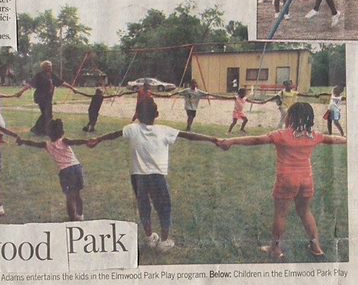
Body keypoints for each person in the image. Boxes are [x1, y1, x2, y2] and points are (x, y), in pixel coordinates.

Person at [87, 97, 218, 251]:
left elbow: (114, 134)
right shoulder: (164, 130)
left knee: (143, 205)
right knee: (164, 206)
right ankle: (163, 240)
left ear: (137, 115)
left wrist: (97, 139)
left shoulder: (132, 128)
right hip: (156, 176)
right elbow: (189, 135)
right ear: (156, 114)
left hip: (137, 176)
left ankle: (149, 237)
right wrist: (212, 139)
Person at [217, 102, 346, 258]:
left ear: (291, 116)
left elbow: (256, 140)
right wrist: (348, 140)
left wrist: (231, 141)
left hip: (286, 180)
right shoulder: (314, 136)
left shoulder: (281, 135)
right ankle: (315, 246)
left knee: (280, 214)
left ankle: (275, 248)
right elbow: (333, 139)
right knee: (305, 212)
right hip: (306, 179)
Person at [17, 119, 88, 221]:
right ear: (62, 133)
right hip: (77, 168)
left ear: (48, 133)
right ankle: (80, 216)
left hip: (65, 172)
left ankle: (72, 219)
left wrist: (22, 141)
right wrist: (86, 141)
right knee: (77, 194)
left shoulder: (46, 144)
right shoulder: (64, 141)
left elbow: (32, 143)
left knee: (69, 197)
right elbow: (76, 142)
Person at [16, 60, 75, 135]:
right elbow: (29, 84)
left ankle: (39, 130)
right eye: (48, 66)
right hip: (41, 97)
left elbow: (61, 82)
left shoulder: (51, 75)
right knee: (47, 114)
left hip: (48, 98)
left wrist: (71, 88)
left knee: (47, 114)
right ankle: (38, 129)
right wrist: (21, 91)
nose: (50, 68)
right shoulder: (39, 75)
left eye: (51, 66)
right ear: (44, 67)